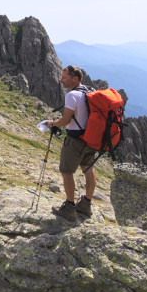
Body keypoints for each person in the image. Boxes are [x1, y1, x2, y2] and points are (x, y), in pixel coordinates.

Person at [41, 65, 96, 219]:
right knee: (88, 168)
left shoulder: (72, 96)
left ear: (75, 79)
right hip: (91, 139)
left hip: (75, 141)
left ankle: (69, 208)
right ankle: (86, 204)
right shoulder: (89, 90)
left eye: (64, 77)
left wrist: (51, 123)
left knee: (67, 172)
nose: (61, 80)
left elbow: (66, 120)